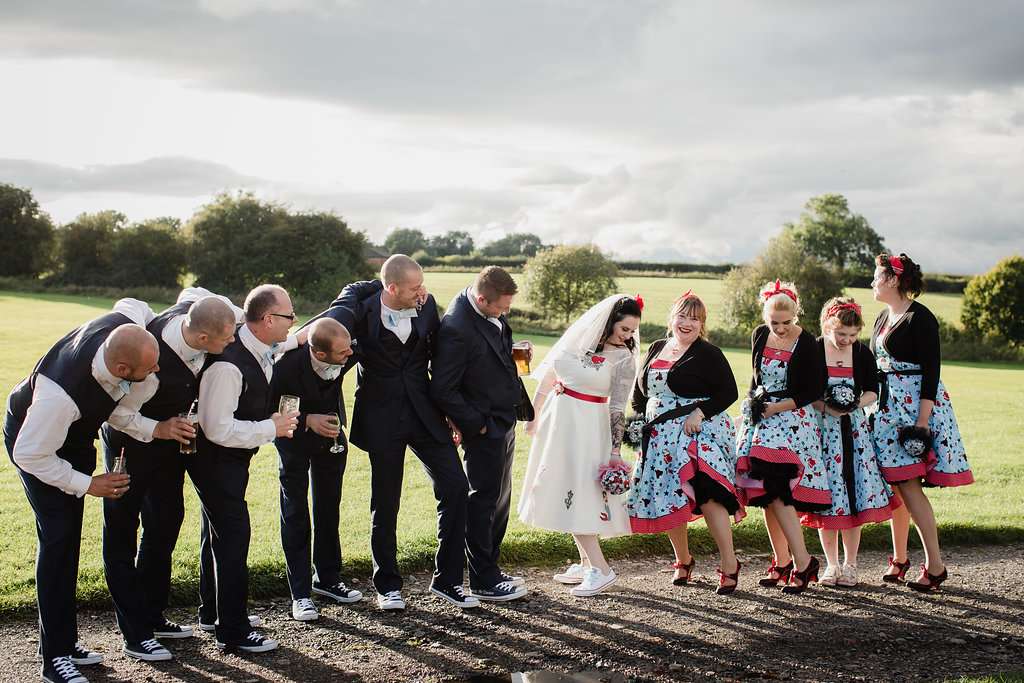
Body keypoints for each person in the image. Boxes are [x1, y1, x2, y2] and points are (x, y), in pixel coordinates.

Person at [3, 300, 161, 683]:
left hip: (73, 440)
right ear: (122, 369)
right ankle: (54, 659)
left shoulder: (125, 320)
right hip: (36, 443)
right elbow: (29, 454)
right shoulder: (59, 397)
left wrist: (154, 428)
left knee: (68, 540)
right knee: (58, 540)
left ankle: (62, 641)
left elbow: (136, 305)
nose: (157, 370)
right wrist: (88, 484)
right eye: (150, 367)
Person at [307, 255, 474, 610]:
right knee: (385, 501)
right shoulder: (362, 311)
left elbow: (439, 361)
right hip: (381, 416)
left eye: (422, 285)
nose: (421, 292)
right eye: (414, 287)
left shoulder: (427, 307)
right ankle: (387, 585)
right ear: (393, 287)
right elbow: (335, 357)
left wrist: (451, 412)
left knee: (456, 487)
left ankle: (448, 580)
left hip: (425, 413)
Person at [99, 289, 239, 661]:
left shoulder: (193, 310)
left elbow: (197, 296)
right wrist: (158, 428)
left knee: (165, 521)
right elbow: (115, 413)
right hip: (130, 445)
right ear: (204, 338)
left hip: (167, 447)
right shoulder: (151, 370)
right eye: (227, 338)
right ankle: (135, 633)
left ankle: (152, 614)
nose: (233, 342)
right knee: (122, 532)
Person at [189, 285, 300, 653]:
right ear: (267, 319)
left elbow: (283, 345)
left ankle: (212, 613)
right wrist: (272, 428)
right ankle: (233, 630)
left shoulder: (260, 342)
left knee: (217, 534)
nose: (293, 321)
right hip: (215, 459)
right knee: (234, 536)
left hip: (231, 459)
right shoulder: (227, 365)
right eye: (288, 316)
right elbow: (216, 429)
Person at [518, 295, 642, 598]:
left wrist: (615, 452)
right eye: (624, 329)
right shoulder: (577, 341)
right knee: (562, 488)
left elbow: (618, 408)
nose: (628, 336)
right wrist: (534, 415)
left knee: (581, 494)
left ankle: (601, 569)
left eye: (632, 331)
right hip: (559, 426)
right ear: (608, 322)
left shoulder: (624, 359)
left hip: (588, 431)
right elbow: (550, 376)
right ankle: (587, 563)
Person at [626, 291, 743, 594]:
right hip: (660, 439)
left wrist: (700, 412)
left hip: (696, 432)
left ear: (702, 324)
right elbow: (640, 394)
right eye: (682, 316)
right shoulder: (656, 348)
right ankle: (683, 560)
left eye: (694, 318)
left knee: (709, 492)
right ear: (671, 318)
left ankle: (729, 562)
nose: (687, 323)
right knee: (670, 495)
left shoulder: (708, 353)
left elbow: (729, 392)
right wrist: (639, 425)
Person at [869, 253, 972, 592]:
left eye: (877, 276)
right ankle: (900, 559)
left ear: (893, 280)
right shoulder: (883, 316)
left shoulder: (921, 317)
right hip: (886, 410)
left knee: (909, 486)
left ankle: (936, 565)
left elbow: (931, 373)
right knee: (898, 486)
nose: (872, 282)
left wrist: (922, 422)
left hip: (913, 412)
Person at [430, 266, 531, 602]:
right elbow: (443, 388)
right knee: (482, 500)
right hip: (485, 426)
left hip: (504, 419)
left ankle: (492, 568)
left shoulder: (489, 310)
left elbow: (490, 354)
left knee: (499, 498)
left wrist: (515, 355)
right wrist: (478, 424)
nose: (505, 312)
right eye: (501, 307)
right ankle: (483, 579)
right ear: (482, 299)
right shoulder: (456, 328)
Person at [735, 280, 828, 595]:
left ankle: (804, 562)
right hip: (763, 421)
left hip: (792, 421)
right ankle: (782, 561)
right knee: (765, 494)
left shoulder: (808, 343)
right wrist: (751, 408)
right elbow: (755, 379)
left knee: (778, 489)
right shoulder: (760, 335)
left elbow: (813, 390)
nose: (780, 328)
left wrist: (777, 407)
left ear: (795, 315)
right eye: (774, 322)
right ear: (765, 318)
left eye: (786, 322)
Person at [801, 297, 900, 588]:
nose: (846, 340)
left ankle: (851, 564)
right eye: (841, 334)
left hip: (854, 432)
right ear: (827, 326)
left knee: (853, 494)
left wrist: (853, 404)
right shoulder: (814, 350)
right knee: (828, 496)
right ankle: (831, 565)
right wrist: (826, 406)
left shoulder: (861, 353)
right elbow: (805, 390)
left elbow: (872, 391)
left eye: (853, 335)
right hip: (822, 431)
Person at [270, 317, 363, 622]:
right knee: (295, 512)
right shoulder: (285, 368)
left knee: (328, 507)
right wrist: (308, 420)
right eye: (343, 352)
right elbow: (269, 407)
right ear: (320, 354)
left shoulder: (345, 350)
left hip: (332, 441)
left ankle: (328, 578)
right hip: (293, 441)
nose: (350, 354)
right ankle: (300, 594)